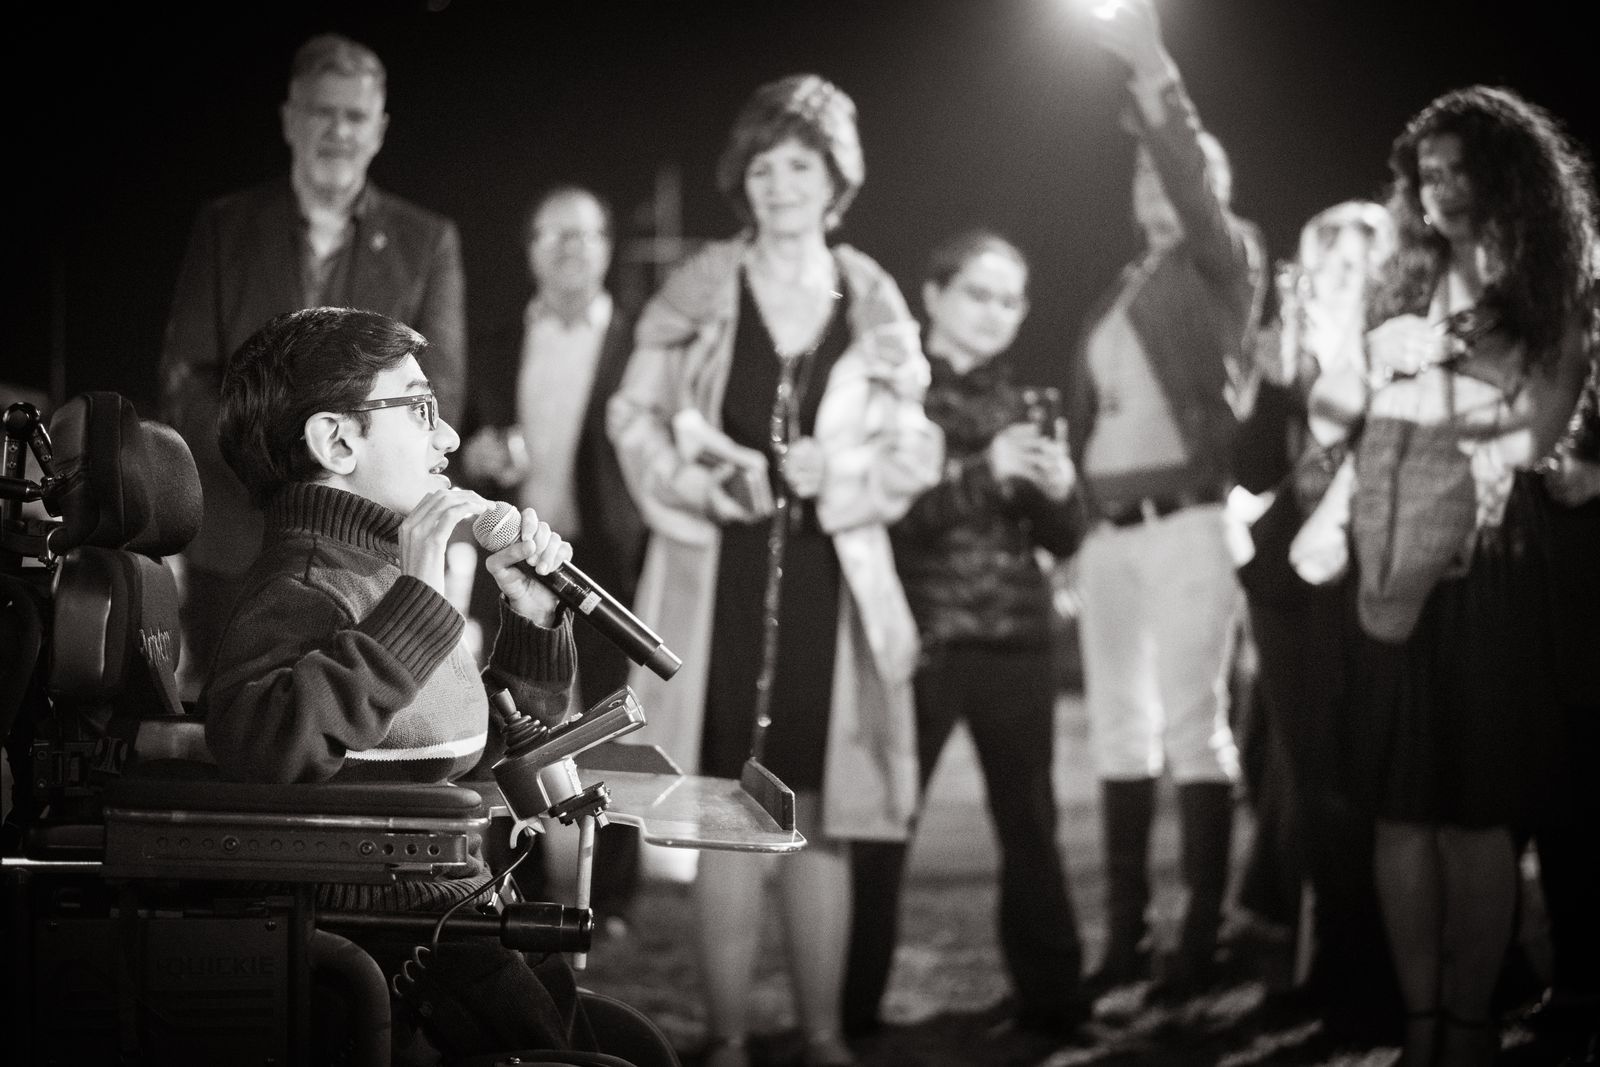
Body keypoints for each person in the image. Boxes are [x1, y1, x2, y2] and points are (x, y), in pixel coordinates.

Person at [607, 74, 940, 1067]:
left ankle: (824, 1038)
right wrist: (701, 484)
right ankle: (728, 1038)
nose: (780, 184)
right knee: (724, 808)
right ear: (740, 181)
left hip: (832, 588)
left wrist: (842, 472)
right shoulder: (700, 286)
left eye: (799, 164)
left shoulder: (872, 297)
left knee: (819, 812)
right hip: (718, 582)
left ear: (836, 178)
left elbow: (914, 447)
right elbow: (632, 416)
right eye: (762, 167)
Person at [199, 306, 593, 1059]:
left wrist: (534, 621)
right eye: (420, 408)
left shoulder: (384, 574)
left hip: (459, 913)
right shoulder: (305, 583)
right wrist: (418, 605)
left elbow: (458, 748)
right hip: (390, 942)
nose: (449, 438)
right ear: (337, 441)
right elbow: (262, 744)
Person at [1338, 86, 1595, 1067]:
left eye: (1457, 169)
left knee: (1479, 810)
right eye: (1426, 173)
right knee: (1402, 807)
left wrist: (1432, 392)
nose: (1439, 189)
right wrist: (1372, 366)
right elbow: (1336, 409)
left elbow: (1537, 430)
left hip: (1495, 563)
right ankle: (1421, 1022)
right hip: (1395, 552)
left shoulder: (1553, 282)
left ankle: (1472, 1019)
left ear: (1508, 173)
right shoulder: (1399, 279)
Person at [158, 33, 466, 697]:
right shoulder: (224, 226)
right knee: (230, 727)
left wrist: (334, 477)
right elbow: (185, 380)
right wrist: (276, 464)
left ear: (379, 129)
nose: (339, 131)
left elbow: (439, 391)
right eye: (323, 112)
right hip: (233, 537)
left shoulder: (427, 241)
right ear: (290, 119)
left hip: (367, 551)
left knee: (362, 721)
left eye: (355, 116)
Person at [1066, 0, 1265, 999]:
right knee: (1119, 733)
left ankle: (1197, 943)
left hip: (1187, 524)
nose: (1153, 182)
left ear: (1203, 188)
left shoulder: (1221, 265)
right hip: (1109, 539)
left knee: (1194, 727)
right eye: (1138, 172)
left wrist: (1152, 71)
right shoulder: (1125, 285)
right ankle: (1126, 939)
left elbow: (1186, 170)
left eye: (1170, 171)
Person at [843, 230, 1088, 1041]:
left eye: (1010, 299)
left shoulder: (1025, 402)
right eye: (978, 293)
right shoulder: (894, 396)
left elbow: (1064, 537)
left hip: (1017, 638)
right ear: (933, 295)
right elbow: (893, 514)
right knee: (884, 826)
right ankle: (850, 1008)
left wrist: (1059, 491)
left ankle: (1055, 1001)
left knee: (1031, 826)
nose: (994, 312)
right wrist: (989, 472)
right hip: (923, 639)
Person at [1229, 200, 1404, 1040]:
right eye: (1327, 259)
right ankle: (1336, 967)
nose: (1341, 274)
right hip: (1286, 588)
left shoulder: (1395, 349)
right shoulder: (1287, 352)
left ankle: (1375, 973)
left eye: (1359, 261)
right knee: (1309, 779)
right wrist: (1268, 382)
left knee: (1368, 775)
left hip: (1368, 573)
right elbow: (1250, 467)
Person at [458, 184, 646, 933]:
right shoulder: (493, 344)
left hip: (609, 561)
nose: (570, 248)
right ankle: (519, 881)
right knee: (509, 720)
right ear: (531, 249)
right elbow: (459, 441)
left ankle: (615, 895)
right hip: (515, 561)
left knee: (616, 724)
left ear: (607, 247)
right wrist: (475, 456)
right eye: (553, 234)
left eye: (585, 234)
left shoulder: (644, 343)